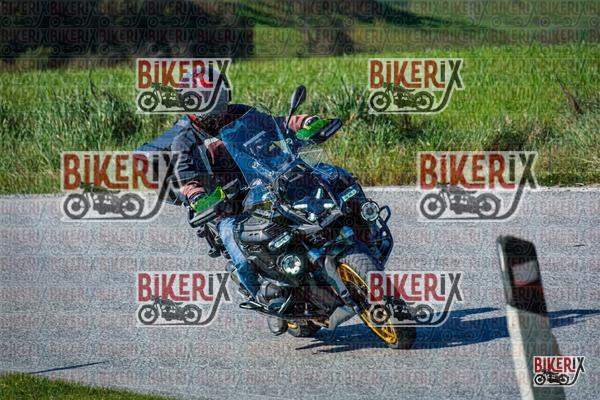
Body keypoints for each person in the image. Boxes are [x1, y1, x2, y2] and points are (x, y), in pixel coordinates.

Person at [170, 66, 338, 302]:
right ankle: (260, 293)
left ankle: (355, 236)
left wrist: (303, 122)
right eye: (206, 100)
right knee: (237, 247)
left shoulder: (240, 113)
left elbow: (276, 125)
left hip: (271, 185)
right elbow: (185, 179)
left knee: (330, 181)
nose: (215, 104)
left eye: (217, 96)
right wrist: (197, 196)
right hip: (230, 207)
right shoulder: (185, 140)